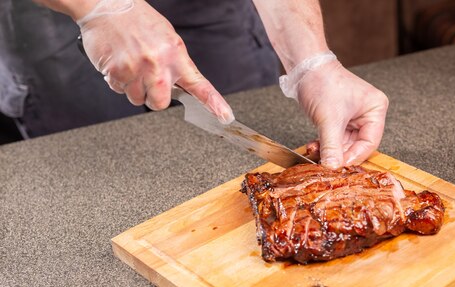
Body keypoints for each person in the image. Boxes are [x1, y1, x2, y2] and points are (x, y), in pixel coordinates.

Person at [3, 0, 389, 168]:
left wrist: (312, 62)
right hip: (49, 17)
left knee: (225, 157)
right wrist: (98, 8)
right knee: (97, 163)